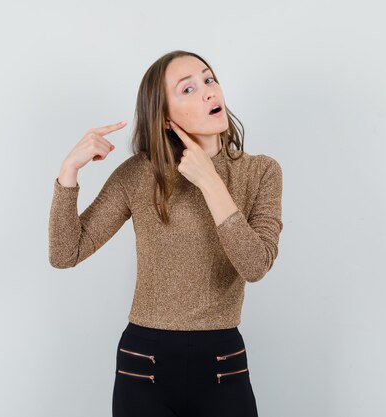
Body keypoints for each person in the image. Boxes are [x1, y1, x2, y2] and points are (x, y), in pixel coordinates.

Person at [48, 50, 283, 417]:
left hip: (223, 362)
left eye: (208, 79)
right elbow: (66, 253)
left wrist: (209, 181)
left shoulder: (262, 172)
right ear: (164, 116)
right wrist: (68, 173)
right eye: (187, 89)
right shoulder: (139, 174)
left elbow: (255, 266)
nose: (208, 92)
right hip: (145, 363)